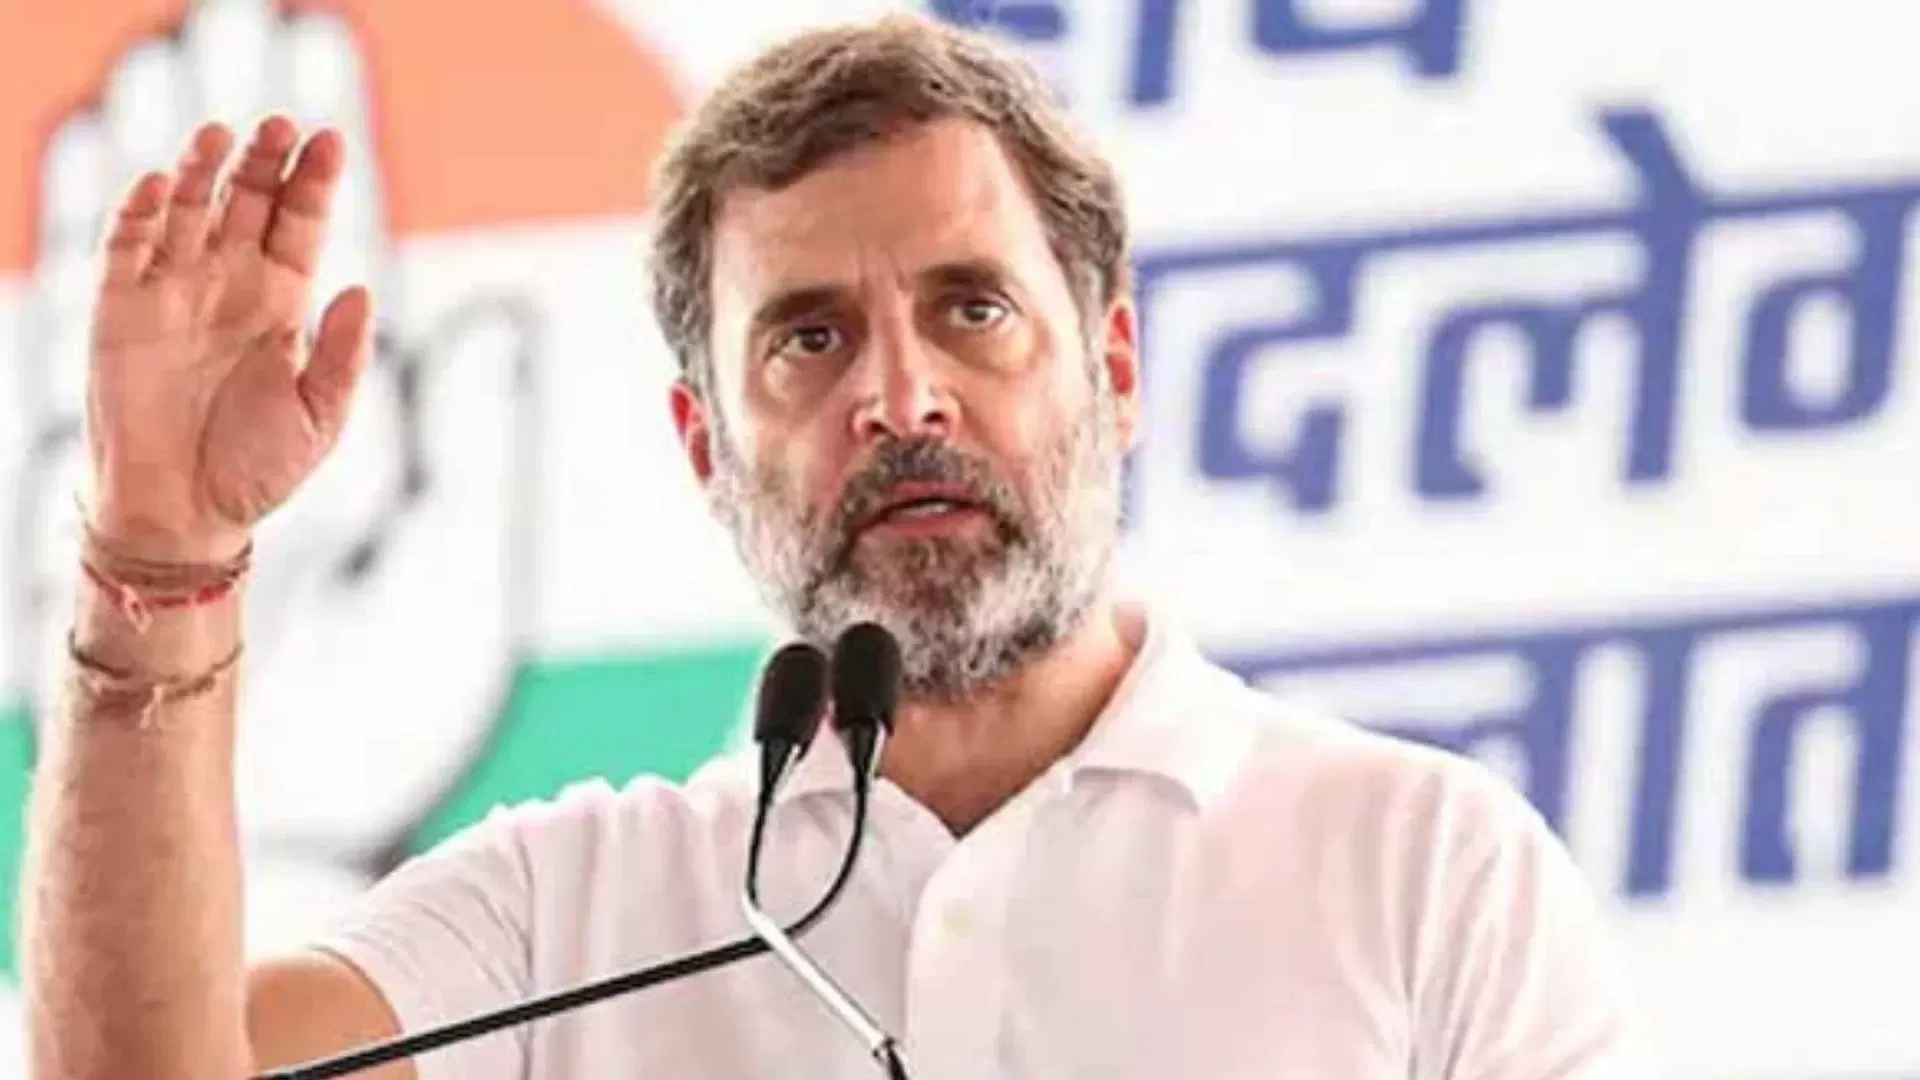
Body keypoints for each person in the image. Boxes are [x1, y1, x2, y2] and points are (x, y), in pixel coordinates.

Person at [20, 13, 1652, 1080]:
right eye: (808, 339)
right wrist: (160, 552)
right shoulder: (571, 911)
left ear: (1117, 369)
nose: (899, 397)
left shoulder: (1425, 869)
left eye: (973, 309)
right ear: (706, 448)